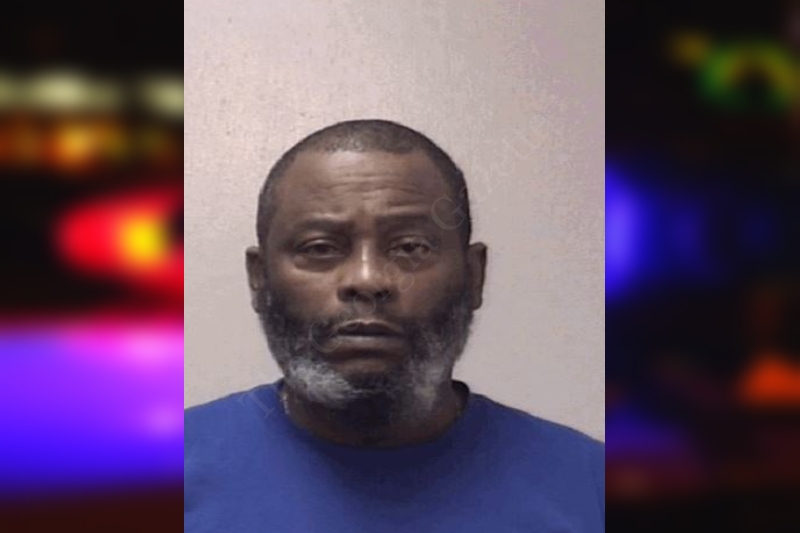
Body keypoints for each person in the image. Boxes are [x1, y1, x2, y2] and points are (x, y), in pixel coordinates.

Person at [184, 119, 604, 532]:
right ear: (259, 280)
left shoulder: (592, 489)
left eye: (410, 247)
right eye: (320, 247)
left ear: (474, 275)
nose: (367, 280)